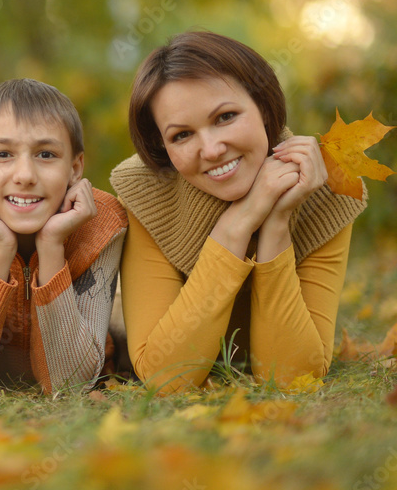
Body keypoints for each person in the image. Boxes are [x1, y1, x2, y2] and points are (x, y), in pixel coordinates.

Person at [110, 31, 366, 394]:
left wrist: (276, 223)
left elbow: (291, 379)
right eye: (182, 135)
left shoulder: (323, 189)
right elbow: (165, 378)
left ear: (262, 106)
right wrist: (238, 224)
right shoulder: (147, 193)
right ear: (162, 148)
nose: (212, 149)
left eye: (226, 116)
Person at [0, 78, 128, 394]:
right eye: (3, 154)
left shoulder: (101, 224)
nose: (25, 176)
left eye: (46, 155)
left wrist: (52, 247)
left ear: (75, 168)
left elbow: (70, 385)